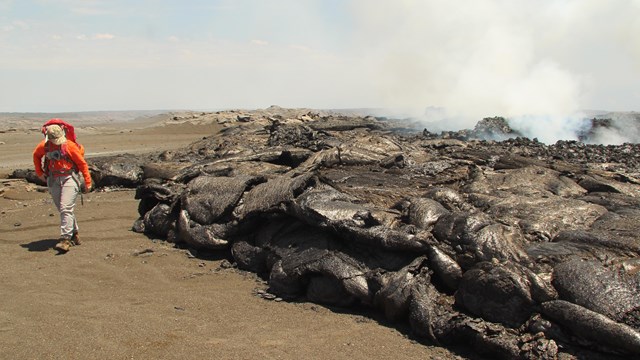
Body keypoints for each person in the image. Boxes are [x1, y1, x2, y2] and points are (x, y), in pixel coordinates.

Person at [33, 123, 92, 253]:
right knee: (63, 209)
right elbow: (36, 155)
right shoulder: (45, 146)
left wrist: (88, 181)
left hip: (69, 178)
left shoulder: (69, 146)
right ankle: (74, 234)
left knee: (66, 208)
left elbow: (82, 164)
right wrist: (39, 173)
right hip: (53, 179)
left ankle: (65, 240)